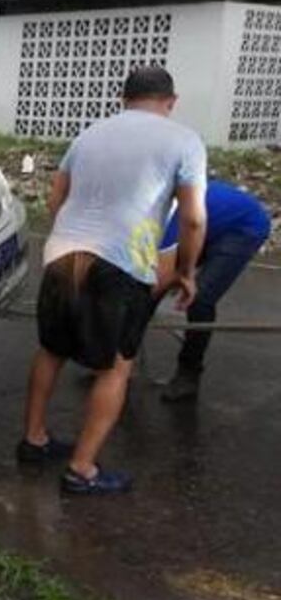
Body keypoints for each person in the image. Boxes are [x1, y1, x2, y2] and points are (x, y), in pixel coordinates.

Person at [18, 67, 207, 496]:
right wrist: (185, 272)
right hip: (120, 264)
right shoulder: (184, 141)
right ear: (171, 101)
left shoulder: (89, 135)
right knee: (116, 367)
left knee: (51, 350)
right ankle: (82, 468)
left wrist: (72, 238)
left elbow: (55, 199)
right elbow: (194, 219)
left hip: (62, 252)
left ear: (124, 98)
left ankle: (33, 440)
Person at [155, 180, 271, 401]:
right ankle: (117, 359)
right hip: (205, 222)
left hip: (242, 228)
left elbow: (158, 277)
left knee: (200, 298)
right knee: (147, 284)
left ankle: (188, 373)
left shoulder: (169, 217)